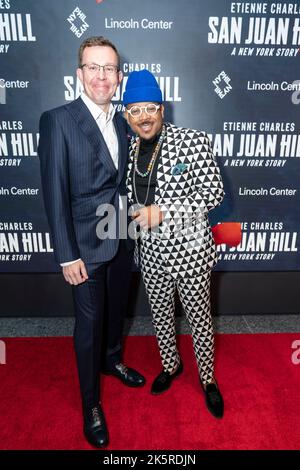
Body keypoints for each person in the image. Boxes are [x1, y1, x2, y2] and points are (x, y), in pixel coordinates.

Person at [38, 36, 145, 448]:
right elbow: (54, 193)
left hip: (120, 236)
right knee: (89, 324)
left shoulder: (123, 121)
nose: (102, 76)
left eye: (109, 68)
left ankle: (112, 360)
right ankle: (90, 404)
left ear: (119, 77)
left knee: (116, 310)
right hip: (82, 247)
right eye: (93, 67)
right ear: (79, 74)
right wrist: (66, 254)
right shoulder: (58, 120)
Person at [123, 69, 225, 418]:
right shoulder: (127, 149)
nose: (143, 117)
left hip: (191, 253)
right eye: (134, 110)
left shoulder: (192, 141)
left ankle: (208, 379)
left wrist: (164, 211)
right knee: (161, 316)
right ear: (127, 116)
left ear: (162, 109)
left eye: (149, 107)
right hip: (150, 254)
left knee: (199, 317)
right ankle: (170, 365)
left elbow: (214, 193)